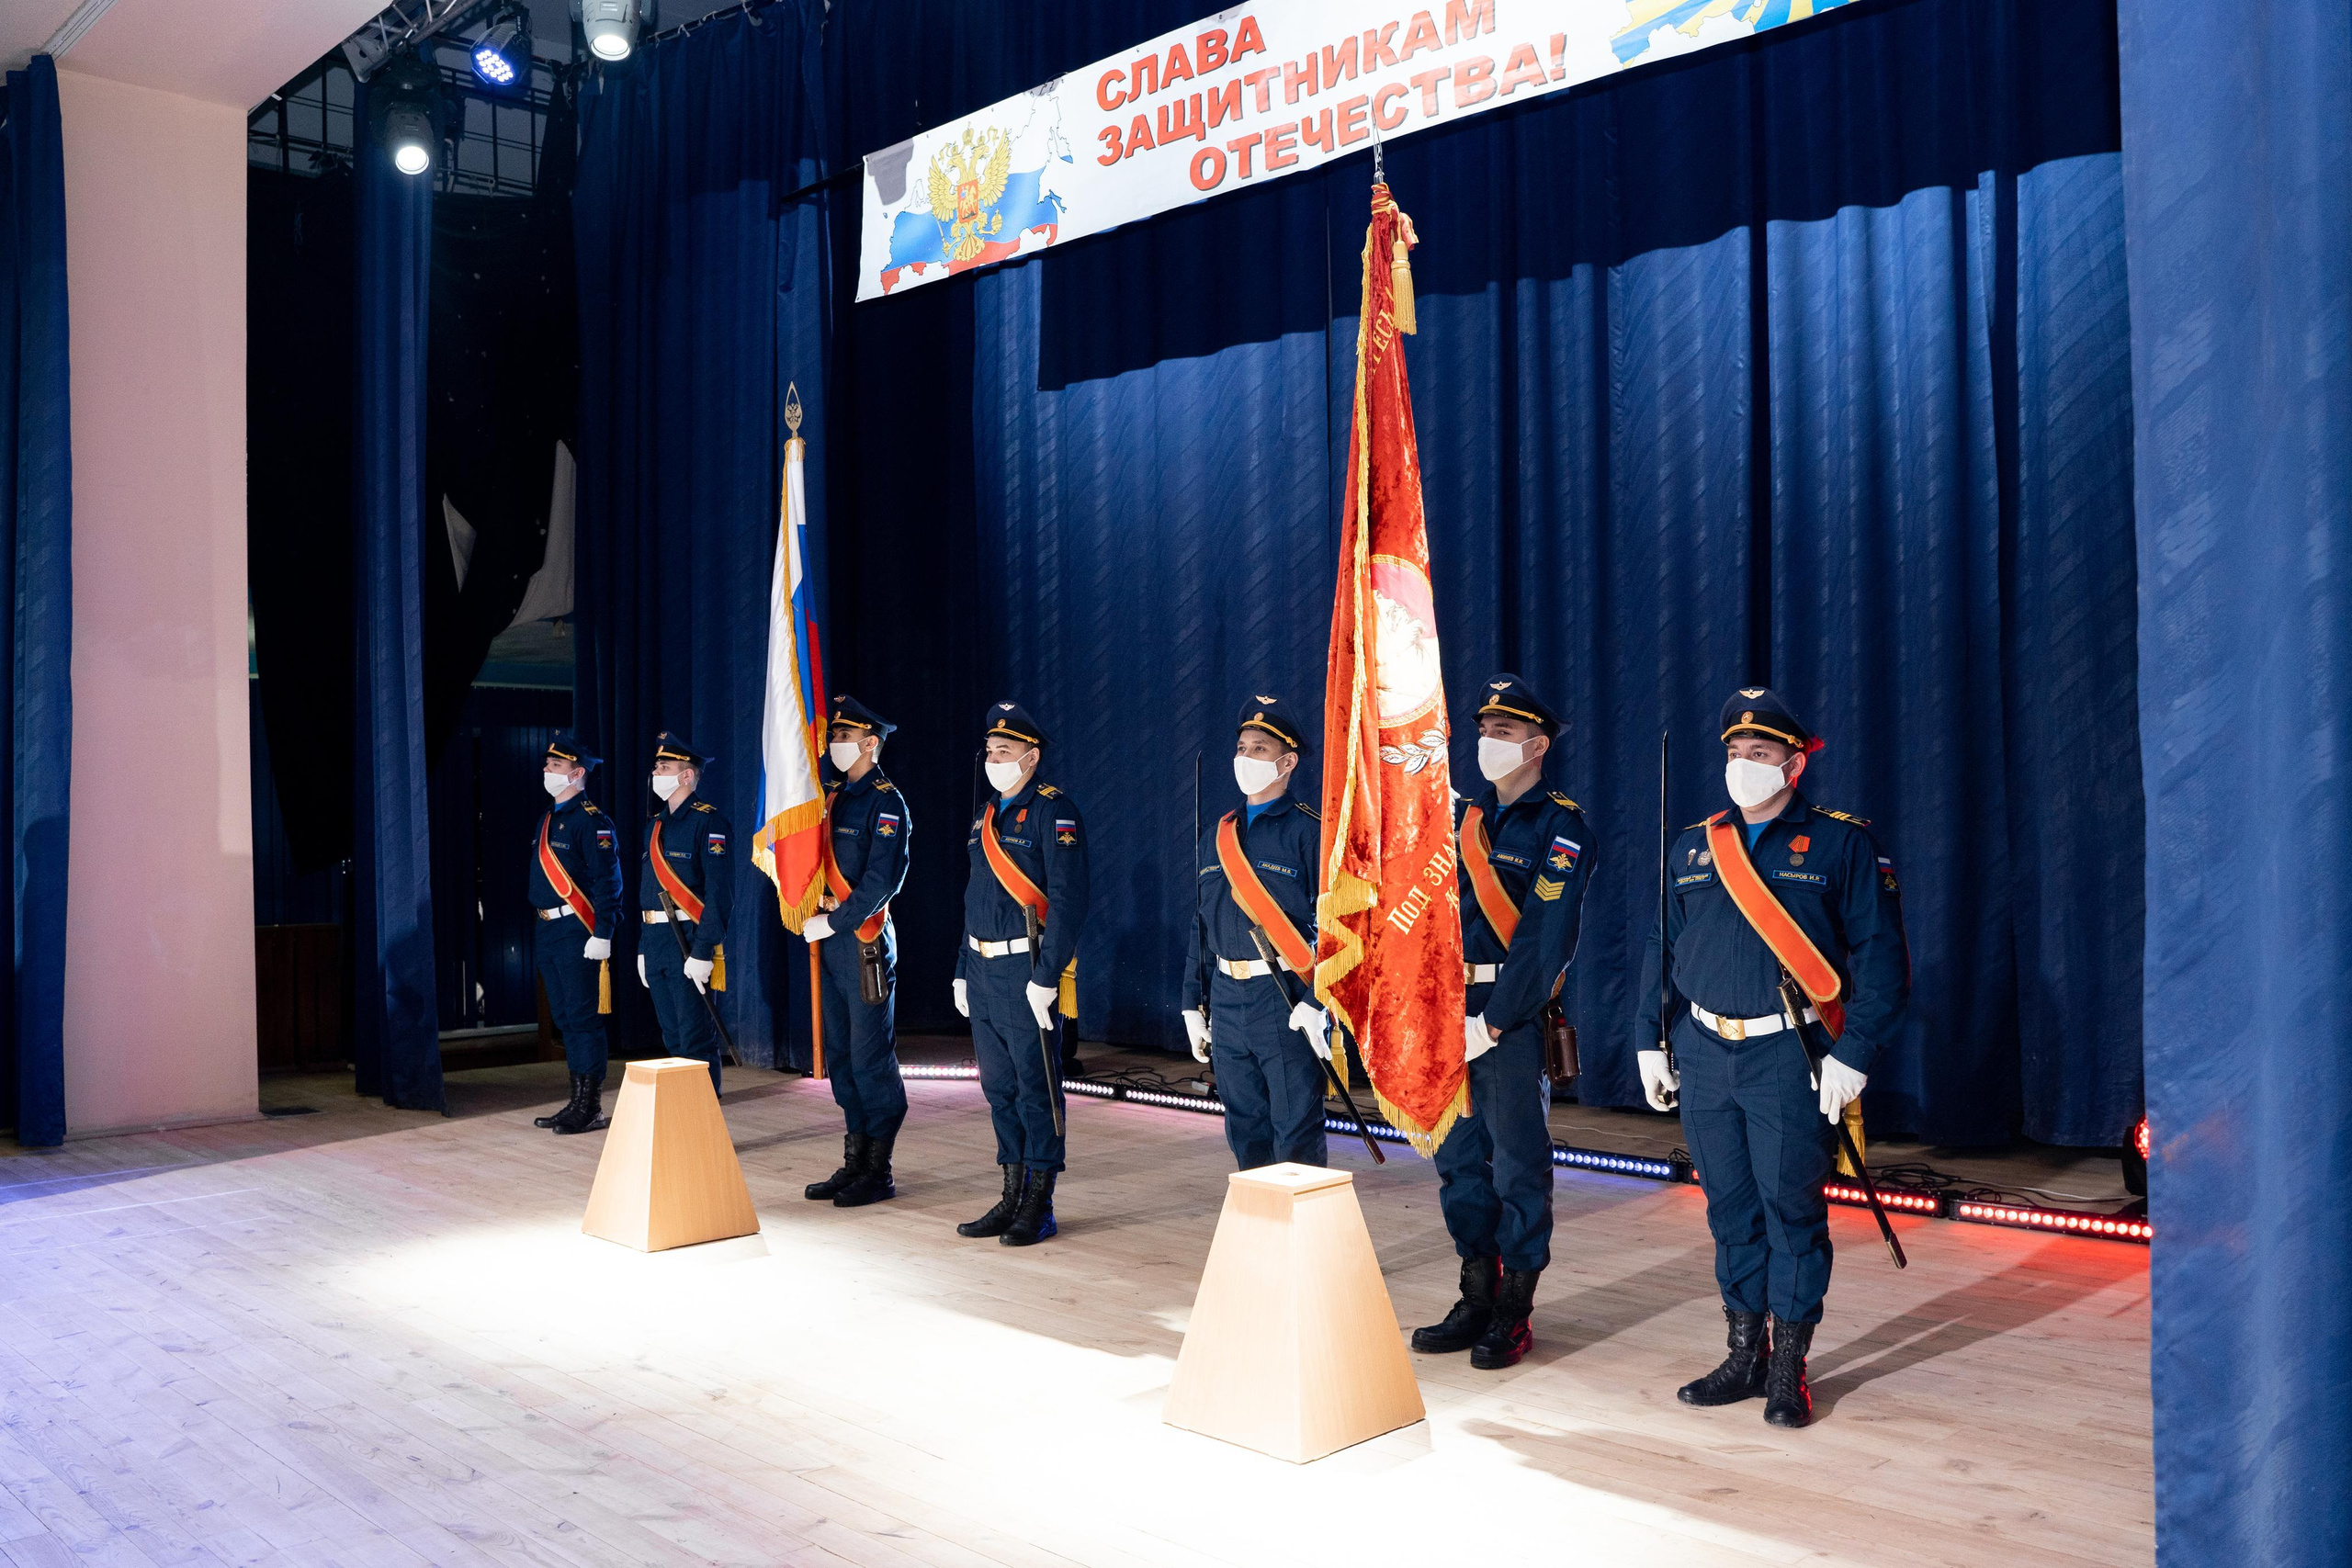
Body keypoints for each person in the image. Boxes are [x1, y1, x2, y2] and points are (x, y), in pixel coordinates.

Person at [1634, 687, 1909, 1428]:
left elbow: (1882, 961)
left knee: (1791, 1212)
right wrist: (1646, 1037)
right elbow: (1662, 950)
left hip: (1787, 1057)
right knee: (1729, 1211)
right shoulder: (1693, 844)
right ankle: (1743, 1353)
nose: (1744, 765)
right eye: (1734, 752)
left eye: (1760, 754)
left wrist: (1854, 1052)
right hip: (1702, 1048)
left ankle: (1789, 1366)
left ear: (1794, 763)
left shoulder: (1840, 842)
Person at [1412, 674, 1594, 1371]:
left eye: (1505, 732)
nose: (1488, 743)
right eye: (1484, 731)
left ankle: (1514, 1308)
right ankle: (1475, 1291)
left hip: (1507, 1020)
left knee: (1518, 1163)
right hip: (1443, 1012)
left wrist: (1490, 1022)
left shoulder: (1563, 826)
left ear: (1538, 744)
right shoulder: (1455, 820)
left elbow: (1547, 939)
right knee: (1458, 1161)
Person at [953, 701, 1090, 1247]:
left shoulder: (1055, 812)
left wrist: (1048, 974)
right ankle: (1010, 1191)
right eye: (989, 751)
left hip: (1025, 969)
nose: (992, 759)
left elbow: (1069, 899)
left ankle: (1039, 1199)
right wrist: (962, 968)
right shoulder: (984, 817)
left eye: (1004, 752)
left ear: (1031, 758)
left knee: (1037, 1087)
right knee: (998, 1087)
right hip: (983, 969)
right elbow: (973, 900)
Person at [1182, 694, 1332, 1170]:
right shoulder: (1216, 835)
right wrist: (1191, 1000)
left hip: (1284, 995)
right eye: (1242, 747)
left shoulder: (1312, 833)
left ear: (1287, 762)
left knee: (1295, 1134)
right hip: (1226, 996)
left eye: (1260, 749)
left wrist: (1319, 1000)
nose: (1245, 758)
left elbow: (1341, 927)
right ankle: (1262, 1236)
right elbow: (1201, 924)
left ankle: (1303, 1243)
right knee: (1244, 1129)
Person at [799, 695, 912, 1208]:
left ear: (870, 743)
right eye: (834, 736)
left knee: (870, 1059)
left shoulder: (886, 802)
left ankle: (878, 1168)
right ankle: (854, 1161)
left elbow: (879, 882)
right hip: (831, 943)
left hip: (862, 940)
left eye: (844, 737)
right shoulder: (830, 796)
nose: (834, 745)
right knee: (842, 1057)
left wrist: (834, 919)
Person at [529, 734, 623, 1134]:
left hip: (577, 929)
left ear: (577, 772)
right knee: (565, 1018)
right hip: (548, 928)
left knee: (583, 1019)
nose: (546, 771)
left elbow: (608, 883)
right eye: (547, 765)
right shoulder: (548, 818)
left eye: (555, 766)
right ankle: (575, 1100)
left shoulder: (593, 822)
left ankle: (590, 1106)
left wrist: (603, 931)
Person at [634, 731, 734, 1097]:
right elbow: (648, 893)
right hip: (657, 940)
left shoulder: (709, 823)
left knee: (694, 1037)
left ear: (687, 775)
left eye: (666, 766)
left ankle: (705, 1120)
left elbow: (719, 896)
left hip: (688, 938)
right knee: (672, 1036)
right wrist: (644, 948)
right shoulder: (655, 824)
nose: (657, 772)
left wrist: (704, 950)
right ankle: (685, 1116)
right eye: (657, 766)